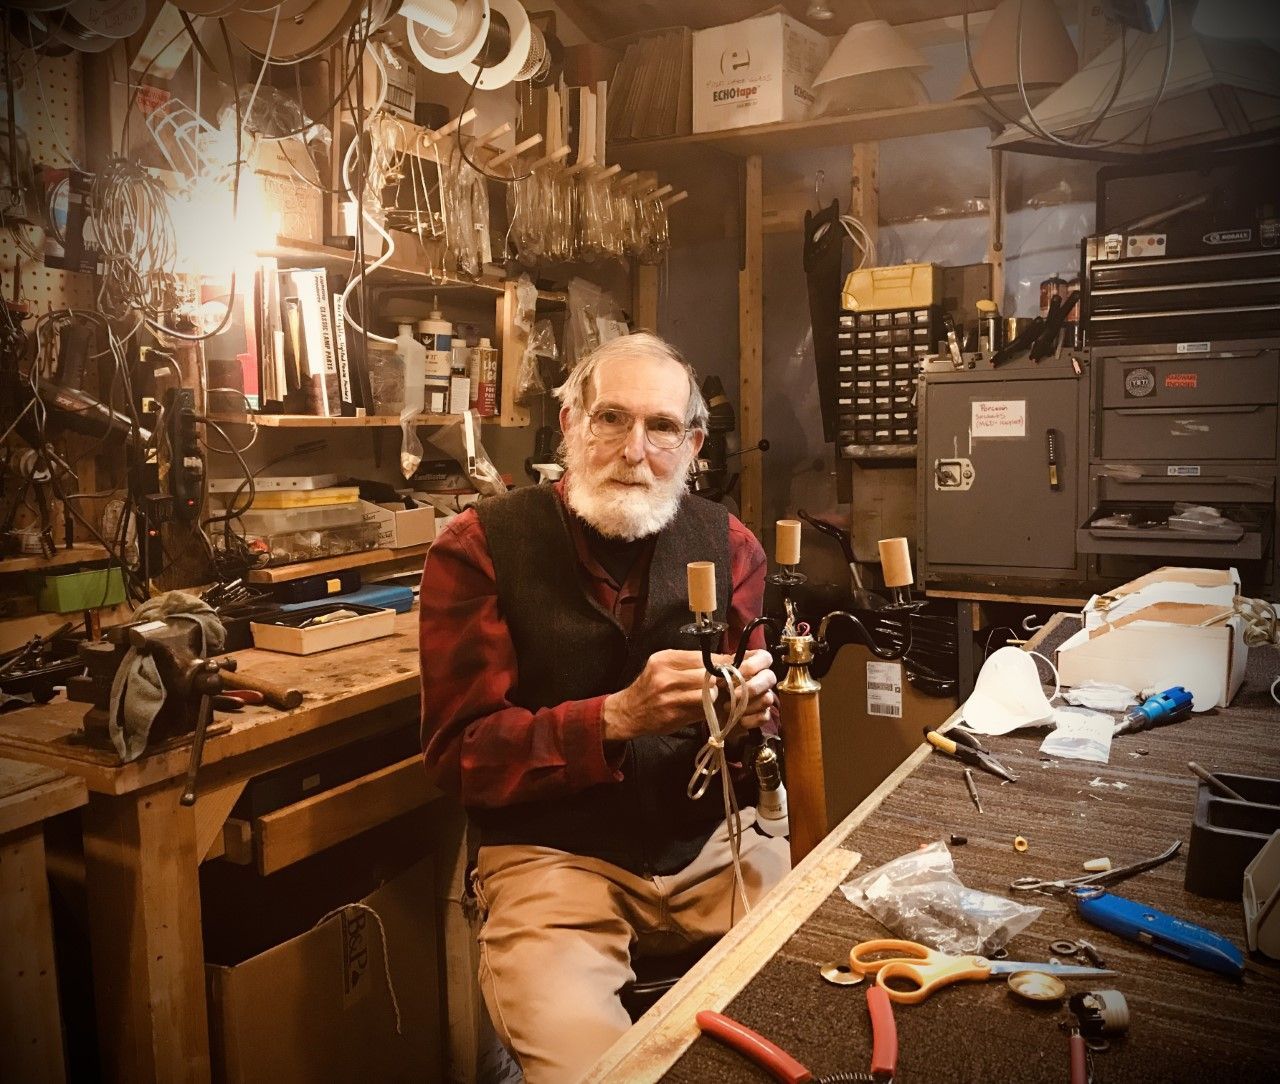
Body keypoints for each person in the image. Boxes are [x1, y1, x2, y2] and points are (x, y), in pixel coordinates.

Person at [419, 331, 790, 1082]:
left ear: (690, 447)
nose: (634, 450)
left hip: (713, 847)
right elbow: (462, 757)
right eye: (611, 419)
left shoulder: (731, 545)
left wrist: (751, 713)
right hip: (552, 862)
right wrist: (615, 719)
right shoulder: (479, 547)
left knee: (813, 1014)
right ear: (570, 425)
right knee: (597, 1073)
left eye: (660, 428)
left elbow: (756, 731)